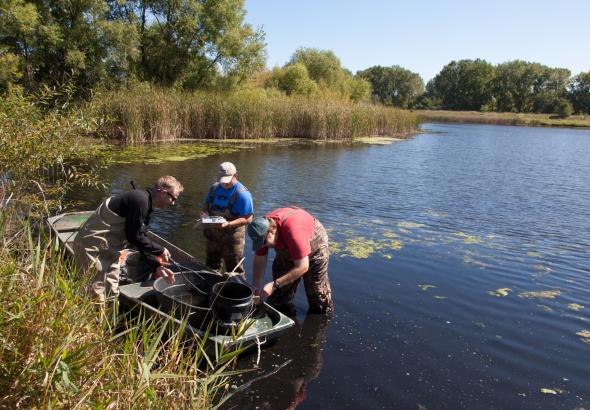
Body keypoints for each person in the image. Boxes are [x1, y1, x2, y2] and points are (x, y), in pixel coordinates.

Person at [73, 175, 183, 302]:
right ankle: (92, 321)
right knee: (95, 293)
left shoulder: (145, 204)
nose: (173, 203)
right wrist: (160, 250)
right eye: (173, 198)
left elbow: (139, 238)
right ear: (163, 192)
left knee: (112, 292)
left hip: (109, 250)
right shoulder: (140, 200)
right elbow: (134, 236)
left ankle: (107, 320)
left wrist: (157, 266)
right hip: (92, 248)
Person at [247, 207, 333, 315]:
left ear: (272, 231)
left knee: (317, 297)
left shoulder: (293, 231)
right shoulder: (260, 229)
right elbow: (259, 258)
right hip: (287, 242)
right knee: (277, 298)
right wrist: (255, 284)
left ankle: (321, 320)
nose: (263, 246)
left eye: (263, 242)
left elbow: (303, 266)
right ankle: (288, 322)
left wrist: (274, 284)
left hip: (314, 244)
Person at [201, 162, 253, 276]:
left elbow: (248, 219)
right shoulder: (214, 188)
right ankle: (211, 289)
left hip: (232, 237)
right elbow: (205, 208)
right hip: (213, 235)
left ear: (236, 175)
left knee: (234, 270)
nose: (224, 183)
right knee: (211, 266)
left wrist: (228, 224)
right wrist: (204, 216)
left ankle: (237, 291)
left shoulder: (243, 194)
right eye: (222, 179)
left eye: (227, 180)